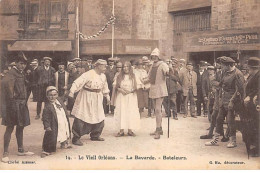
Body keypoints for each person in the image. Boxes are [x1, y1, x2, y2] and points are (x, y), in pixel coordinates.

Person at [1, 53, 34, 163]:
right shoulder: (11, 73)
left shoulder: (21, 73)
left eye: (24, 64)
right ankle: (5, 152)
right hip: (13, 105)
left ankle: (20, 150)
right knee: (10, 128)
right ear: (16, 63)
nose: (23, 66)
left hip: (22, 104)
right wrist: (12, 100)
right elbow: (6, 87)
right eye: (21, 64)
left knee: (21, 127)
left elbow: (25, 87)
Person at [68, 59, 110, 146]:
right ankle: (76, 138)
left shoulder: (103, 76)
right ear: (98, 66)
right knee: (81, 116)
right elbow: (77, 82)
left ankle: (95, 135)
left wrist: (107, 96)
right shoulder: (88, 74)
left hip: (97, 97)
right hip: (86, 97)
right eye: (104, 66)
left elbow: (105, 86)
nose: (105, 67)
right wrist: (72, 91)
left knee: (99, 116)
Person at [205, 56, 245, 148]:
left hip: (232, 100)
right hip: (223, 100)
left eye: (223, 65)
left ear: (228, 65)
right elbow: (221, 84)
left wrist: (232, 101)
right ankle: (215, 139)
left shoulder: (238, 74)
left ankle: (233, 141)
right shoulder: (225, 72)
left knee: (230, 121)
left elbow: (239, 90)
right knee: (219, 119)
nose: (221, 67)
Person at [41, 86, 71, 158]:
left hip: (62, 120)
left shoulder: (59, 100)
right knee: (51, 136)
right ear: (47, 96)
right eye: (50, 95)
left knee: (64, 131)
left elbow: (65, 96)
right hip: (54, 123)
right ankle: (46, 149)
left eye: (54, 95)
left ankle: (64, 143)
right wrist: (47, 126)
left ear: (57, 95)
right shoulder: (47, 106)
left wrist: (69, 89)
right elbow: (45, 118)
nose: (52, 97)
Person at [113, 61, 141, 137]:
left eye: (127, 66)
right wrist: (120, 90)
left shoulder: (134, 76)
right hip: (122, 96)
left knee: (130, 112)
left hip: (131, 96)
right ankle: (121, 130)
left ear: (130, 67)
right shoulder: (119, 76)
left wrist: (131, 90)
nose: (125, 68)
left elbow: (139, 85)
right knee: (122, 111)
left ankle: (130, 130)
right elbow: (115, 85)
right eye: (124, 67)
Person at [147, 48, 169, 139]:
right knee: (156, 110)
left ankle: (158, 130)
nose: (154, 57)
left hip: (160, 89)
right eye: (153, 56)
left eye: (156, 56)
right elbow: (148, 77)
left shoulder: (163, 64)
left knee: (157, 110)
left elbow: (167, 73)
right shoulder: (152, 65)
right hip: (153, 89)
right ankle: (159, 129)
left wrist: (168, 71)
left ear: (158, 57)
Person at [242, 57, 260, 157]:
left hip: (257, 105)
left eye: (249, 68)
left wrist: (251, 96)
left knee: (257, 126)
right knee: (254, 126)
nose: (248, 70)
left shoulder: (258, 76)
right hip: (252, 105)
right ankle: (255, 146)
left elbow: (257, 89)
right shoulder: (253, 76)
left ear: (254, 68)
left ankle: (258, 150)